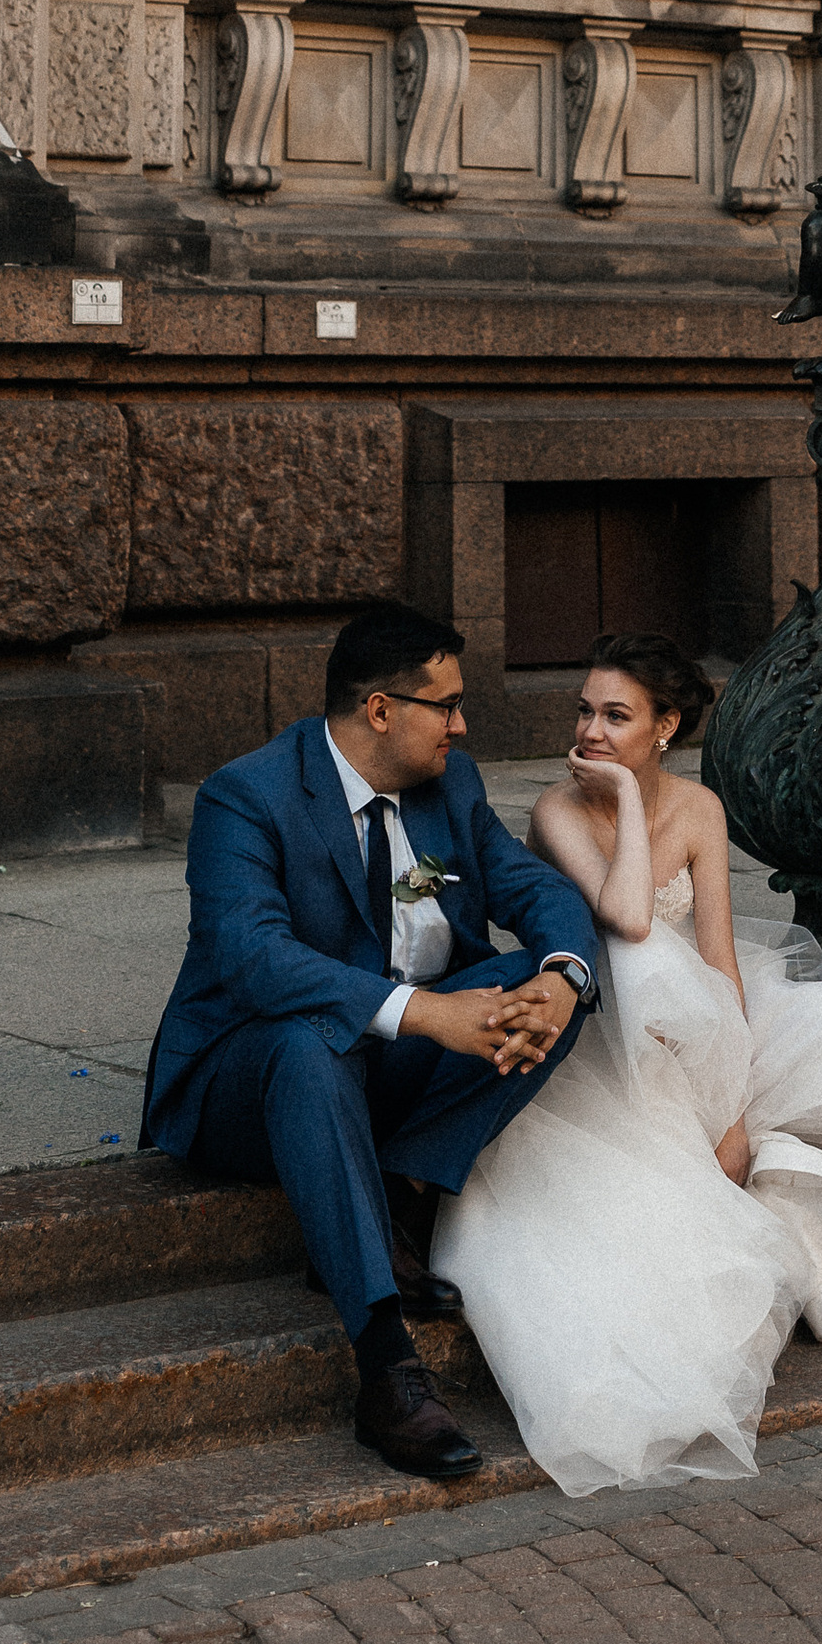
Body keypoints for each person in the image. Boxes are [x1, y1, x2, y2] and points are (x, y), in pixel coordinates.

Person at [434, 631, 822, 1494]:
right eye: (585, 711)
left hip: (706, 1013)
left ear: (667, 726)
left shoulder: (698, 809)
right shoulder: (558, 809)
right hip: (615, 1030)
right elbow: (625, 920)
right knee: (652, 962)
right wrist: (617, 788)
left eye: (616, 717)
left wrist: (732, 1101)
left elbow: (722, 961)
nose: (590, 730)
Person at [139, 598, 599, 1481]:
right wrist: (425, 1013)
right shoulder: (247, 796)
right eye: (449, 705)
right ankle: (388, 1370)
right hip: (247, 1081)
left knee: (543, 996)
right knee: (309, 1048)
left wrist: (560, 973)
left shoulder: (448, 786)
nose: (464, 726)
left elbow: (527, 887)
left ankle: (389, 1190)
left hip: (377, 1069)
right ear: (381, 709)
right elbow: (252, 957)